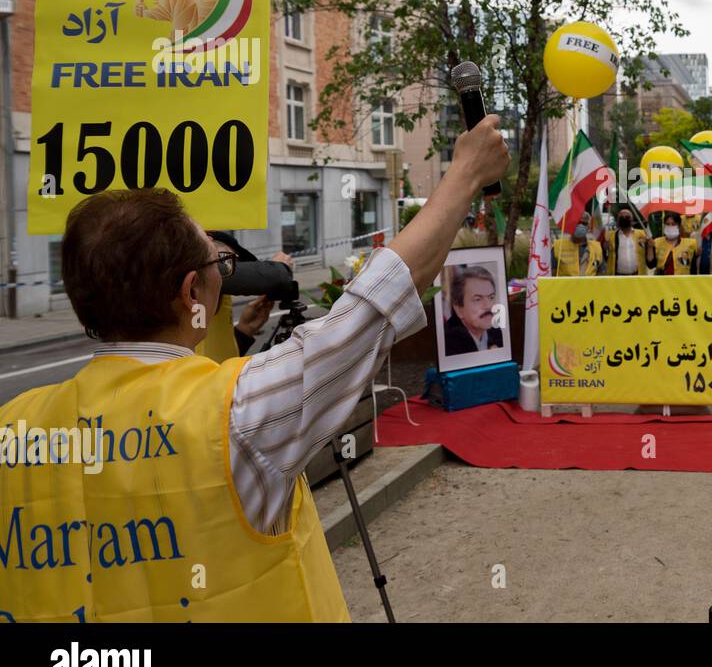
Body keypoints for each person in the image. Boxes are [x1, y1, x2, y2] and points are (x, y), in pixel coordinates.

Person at [0, 116, 510, 622]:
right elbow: (375, 304)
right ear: (191, 292)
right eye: (219, 266)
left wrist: (241, 335)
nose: (224, 276)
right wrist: (466, 172)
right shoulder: (236, 412)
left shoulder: (14, 429)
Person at [195, 231, 296, 362]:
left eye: (235, 261)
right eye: (225, 260)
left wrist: (244, 330)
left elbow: (219, 357)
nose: (230, 267)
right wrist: (279, 268)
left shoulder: (219, 296)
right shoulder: (198, 281)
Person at [443, 264, 505, 354]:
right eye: (478, 299)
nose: (488, 306)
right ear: (459, 309)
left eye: (491, 297)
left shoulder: (496, 333)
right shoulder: (448, 342)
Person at [553, 211, 605, 276]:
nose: (580, 226)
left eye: (584, 223)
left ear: (589, 227)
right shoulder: (558, 246)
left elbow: (602, 273)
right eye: (577, 223)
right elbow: (551, 274)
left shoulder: (597, 248)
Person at [607, 206, 655, 275]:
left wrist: (650, 247)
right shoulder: (610, 236)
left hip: (638, 276)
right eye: (621, 217)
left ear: (632, 220)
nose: (624, 218)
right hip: (616, 277)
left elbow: (650, 262)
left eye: (627, 217)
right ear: (617, 220)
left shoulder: (643, 234)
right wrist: (605, 248)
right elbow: (604, 257)